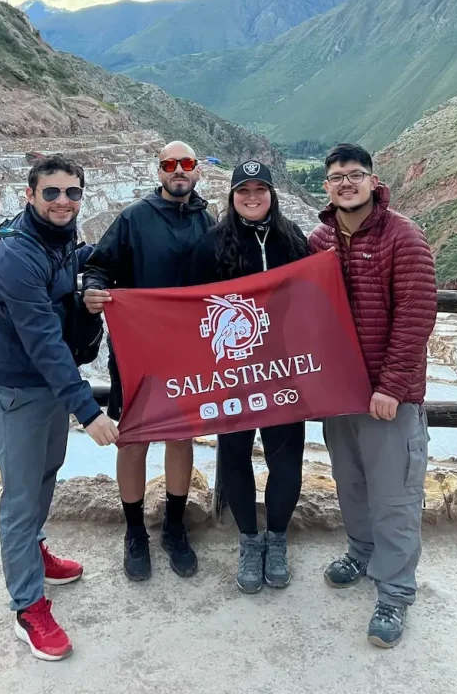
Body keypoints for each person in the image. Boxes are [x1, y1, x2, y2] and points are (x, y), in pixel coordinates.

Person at [0, 154, 119, 662]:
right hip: (18, 388)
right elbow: (43, 342)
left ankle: (33, 554)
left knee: (45, 473)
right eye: (52, 193)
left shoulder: (59, 237)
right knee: (20, 496)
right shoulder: (16, 256)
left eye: (72, 193)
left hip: (46, 389)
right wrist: (89, 411)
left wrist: (99, 273)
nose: (64, 202)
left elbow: (77, 262)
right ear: (30, 195)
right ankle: (27, 606)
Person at [308, 143, 437, 649]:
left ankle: (395, 591)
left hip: (389, 398)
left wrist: (392, 385)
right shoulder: (320, 239)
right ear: (326, 186)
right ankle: (361, 552)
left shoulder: (402, 236)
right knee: (352, 482)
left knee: (395, 495)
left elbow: (416, 315)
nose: (346, 183)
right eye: (337, 176)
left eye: (355, 174)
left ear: (372, 180)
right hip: (339, 392)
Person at [83, 140, 213, 581]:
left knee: (180, 437)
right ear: (159, 171)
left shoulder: (208, 221)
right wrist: (95, 291)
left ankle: (174, 528)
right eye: (170, 164)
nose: (179, 170)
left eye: (187, 164)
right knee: (132, 439)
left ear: (197, 172)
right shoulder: (134, 219)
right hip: (136, 355)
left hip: (188, 354)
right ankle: (135, 531)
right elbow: (99, 267)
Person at [188, 161, 309, 594]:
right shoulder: (212, 245)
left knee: (286, 458)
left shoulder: (293, 239)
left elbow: (318, 293)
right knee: (235, 455)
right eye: (244, 190)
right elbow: (189, 309)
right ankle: (248, 540)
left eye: (261, 189)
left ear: (272, 195)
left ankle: (277, 538)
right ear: (232, 195)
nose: (252, 197)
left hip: (282, 370)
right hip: (232, 375)